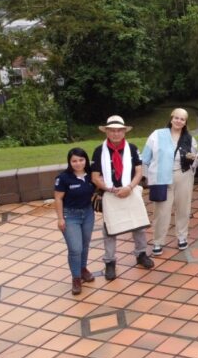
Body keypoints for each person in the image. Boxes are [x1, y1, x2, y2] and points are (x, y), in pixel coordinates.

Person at [91, 116, 152, 281]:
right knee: (109, 229)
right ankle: (109, 261)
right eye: (112, 130)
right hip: (110, 193)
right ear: (107, 132)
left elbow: (139, 172)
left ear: (124, 132)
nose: (116, 133)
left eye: (119, 130)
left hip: (130, 190)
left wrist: (129, 187)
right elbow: (95, 176)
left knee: (138, 225)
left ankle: (141, 254)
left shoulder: (132, 149)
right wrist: (110, 189)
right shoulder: (99, 151)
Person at [142, 108, 198, 255]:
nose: (179, 121)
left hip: (184, 175)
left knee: (183, 208)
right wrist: (148, 178)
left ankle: (182, 237)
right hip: (162, 178)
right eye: (176, 118)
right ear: (171, 118)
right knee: (161, 211)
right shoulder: (157, 135)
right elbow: (145, 158)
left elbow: (195, 160)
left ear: (185, 122)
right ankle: (158, 241)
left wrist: (192, 159)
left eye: (182, 119)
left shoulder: (189, 139)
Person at [55, 147, 96, 294]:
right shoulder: (63, 178)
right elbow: (58, 198)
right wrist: (60, 218)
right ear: (69, 162)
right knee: (75, 248)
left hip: (88, 213)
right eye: (74, 161)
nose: (78, 163)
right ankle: (76, 278)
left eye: (81, 160)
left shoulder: (91, 175)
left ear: (86, 160)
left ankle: (83, 269)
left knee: (85, 244)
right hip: (70, 216)